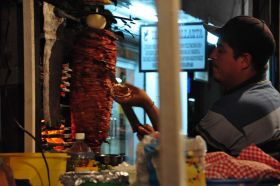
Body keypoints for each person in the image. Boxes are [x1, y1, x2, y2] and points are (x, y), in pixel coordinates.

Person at [112, 16, 280, 157]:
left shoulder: (237, 108)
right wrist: (150, 112)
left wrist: (147, 106)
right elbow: (191, 149)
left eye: (221, 50)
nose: (212, 55)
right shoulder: (272, 96)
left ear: (244, 61)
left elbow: (189, 160)